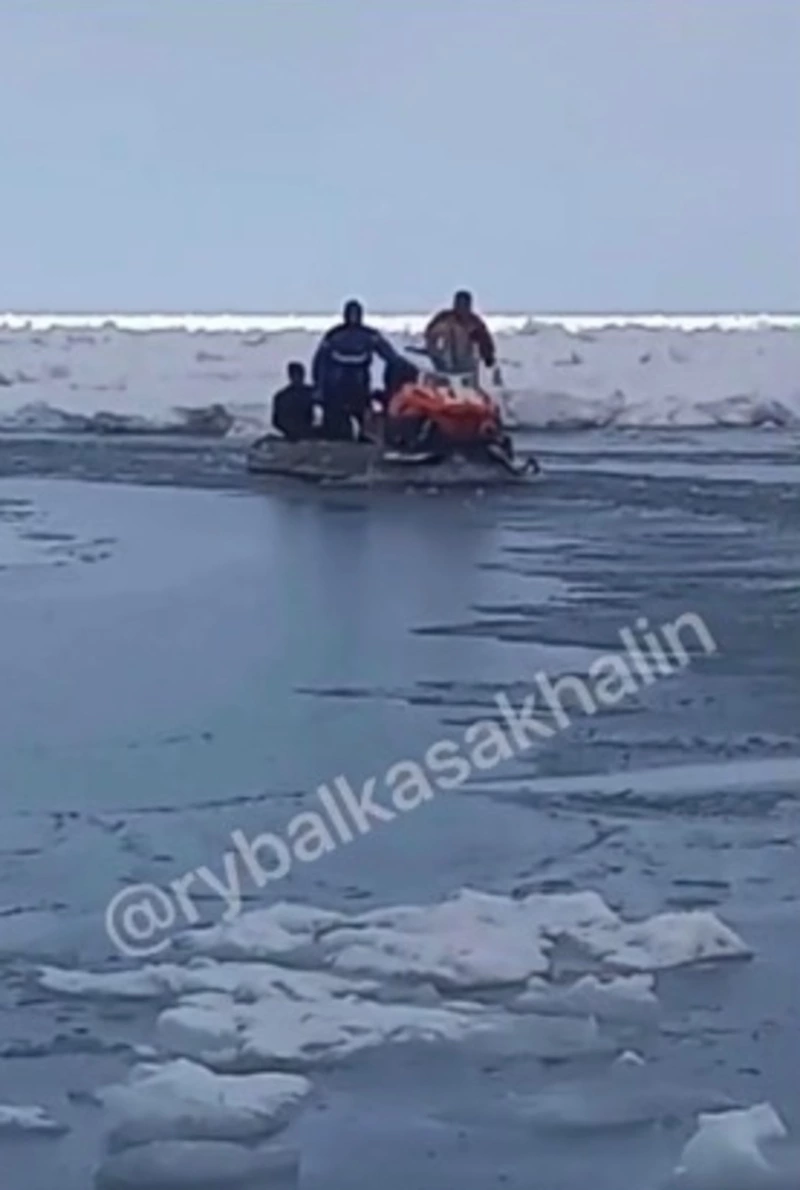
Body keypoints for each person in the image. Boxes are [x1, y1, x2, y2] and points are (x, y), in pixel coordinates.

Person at [312, 299, 402, 440]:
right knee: (335, 424)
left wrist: (398, 375)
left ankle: (363, 434)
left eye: (356, 314)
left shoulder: (369, 335)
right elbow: (320, 362)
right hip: (336, 384)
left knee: (362, 415)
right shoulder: (333, 336)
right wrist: (319, 386)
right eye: (350, 314)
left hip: (359, 381)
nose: (353, 318)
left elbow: (391, 356)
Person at [424, 290, 499, 384]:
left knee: (468, 381)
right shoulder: (444, 318)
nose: (462, 308)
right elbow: (429, 333)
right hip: (443, 363)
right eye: (459, 304)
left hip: (466, 365)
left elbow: (485, 341)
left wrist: (488, 356)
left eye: (465, 304)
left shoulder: (474, 322)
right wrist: (433, 352)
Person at [271, 361, 317, 441]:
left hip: (298, 433)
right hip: (299, 433)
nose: (297, 378)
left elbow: (276, 422)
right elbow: (276, 422)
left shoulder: (280, 395)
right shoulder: (281, 396)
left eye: (298, 375)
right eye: (296, 375)